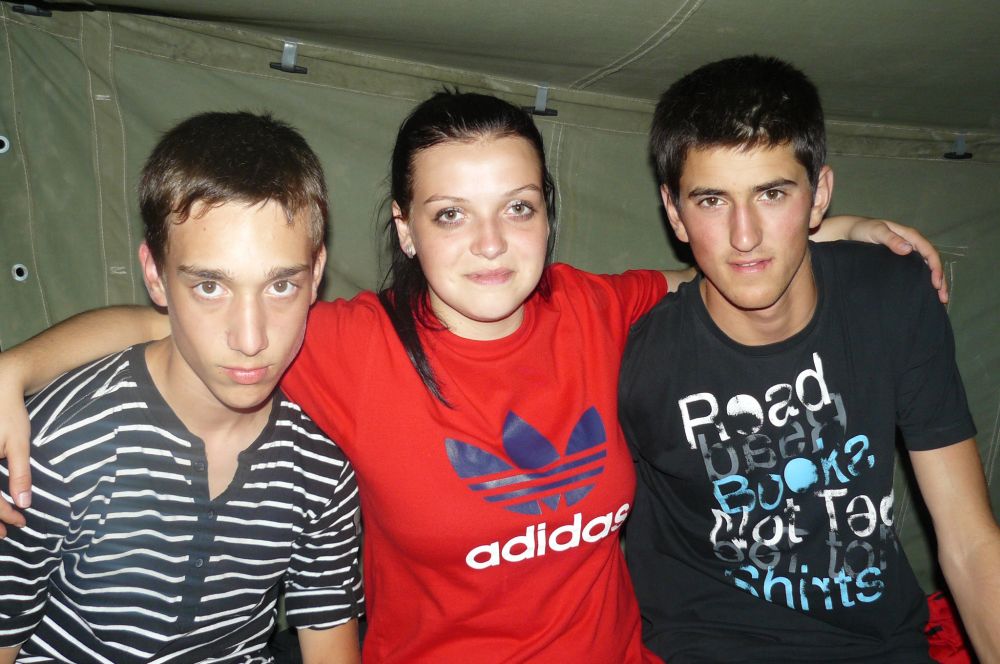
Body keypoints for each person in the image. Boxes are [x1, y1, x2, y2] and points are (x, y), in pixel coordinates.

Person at [0, 92, 945, 662]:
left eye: (518, 208)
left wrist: (831, 230)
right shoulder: (341, 343)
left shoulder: (596, 307)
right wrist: (16, 367)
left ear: (549, 217)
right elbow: (181, 325)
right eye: (451, 214)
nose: (491, 244)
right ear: (406, 230)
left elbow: (724, 263)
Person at [618, 55, 1000, 663]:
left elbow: (969, 539)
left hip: (881, 647)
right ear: (674, 212)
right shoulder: (634, 350)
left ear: (819, 194)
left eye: (772, 193)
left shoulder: (892, 295)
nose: (745, 235)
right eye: (712, 200)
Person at [0, 112, 364, 663]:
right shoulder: (53, 446)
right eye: (210, 286)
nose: (250, 339)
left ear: (316, 275)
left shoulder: (322, 464)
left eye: (281, 285)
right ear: (155, 276)